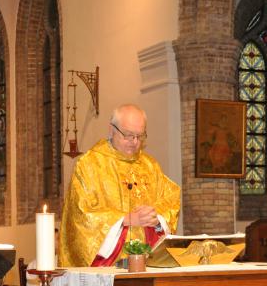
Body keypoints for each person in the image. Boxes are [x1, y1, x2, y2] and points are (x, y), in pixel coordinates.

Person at [59, 104, 180, 267]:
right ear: (111, 130)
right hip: (110, 265)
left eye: (140, 136)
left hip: (147, 264)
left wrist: (156, 217)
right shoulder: (89, 165)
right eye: (128, 135)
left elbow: (170, 198)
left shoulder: (150, 166)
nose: (134, 142)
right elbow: (80, 214)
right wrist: (124, 220)